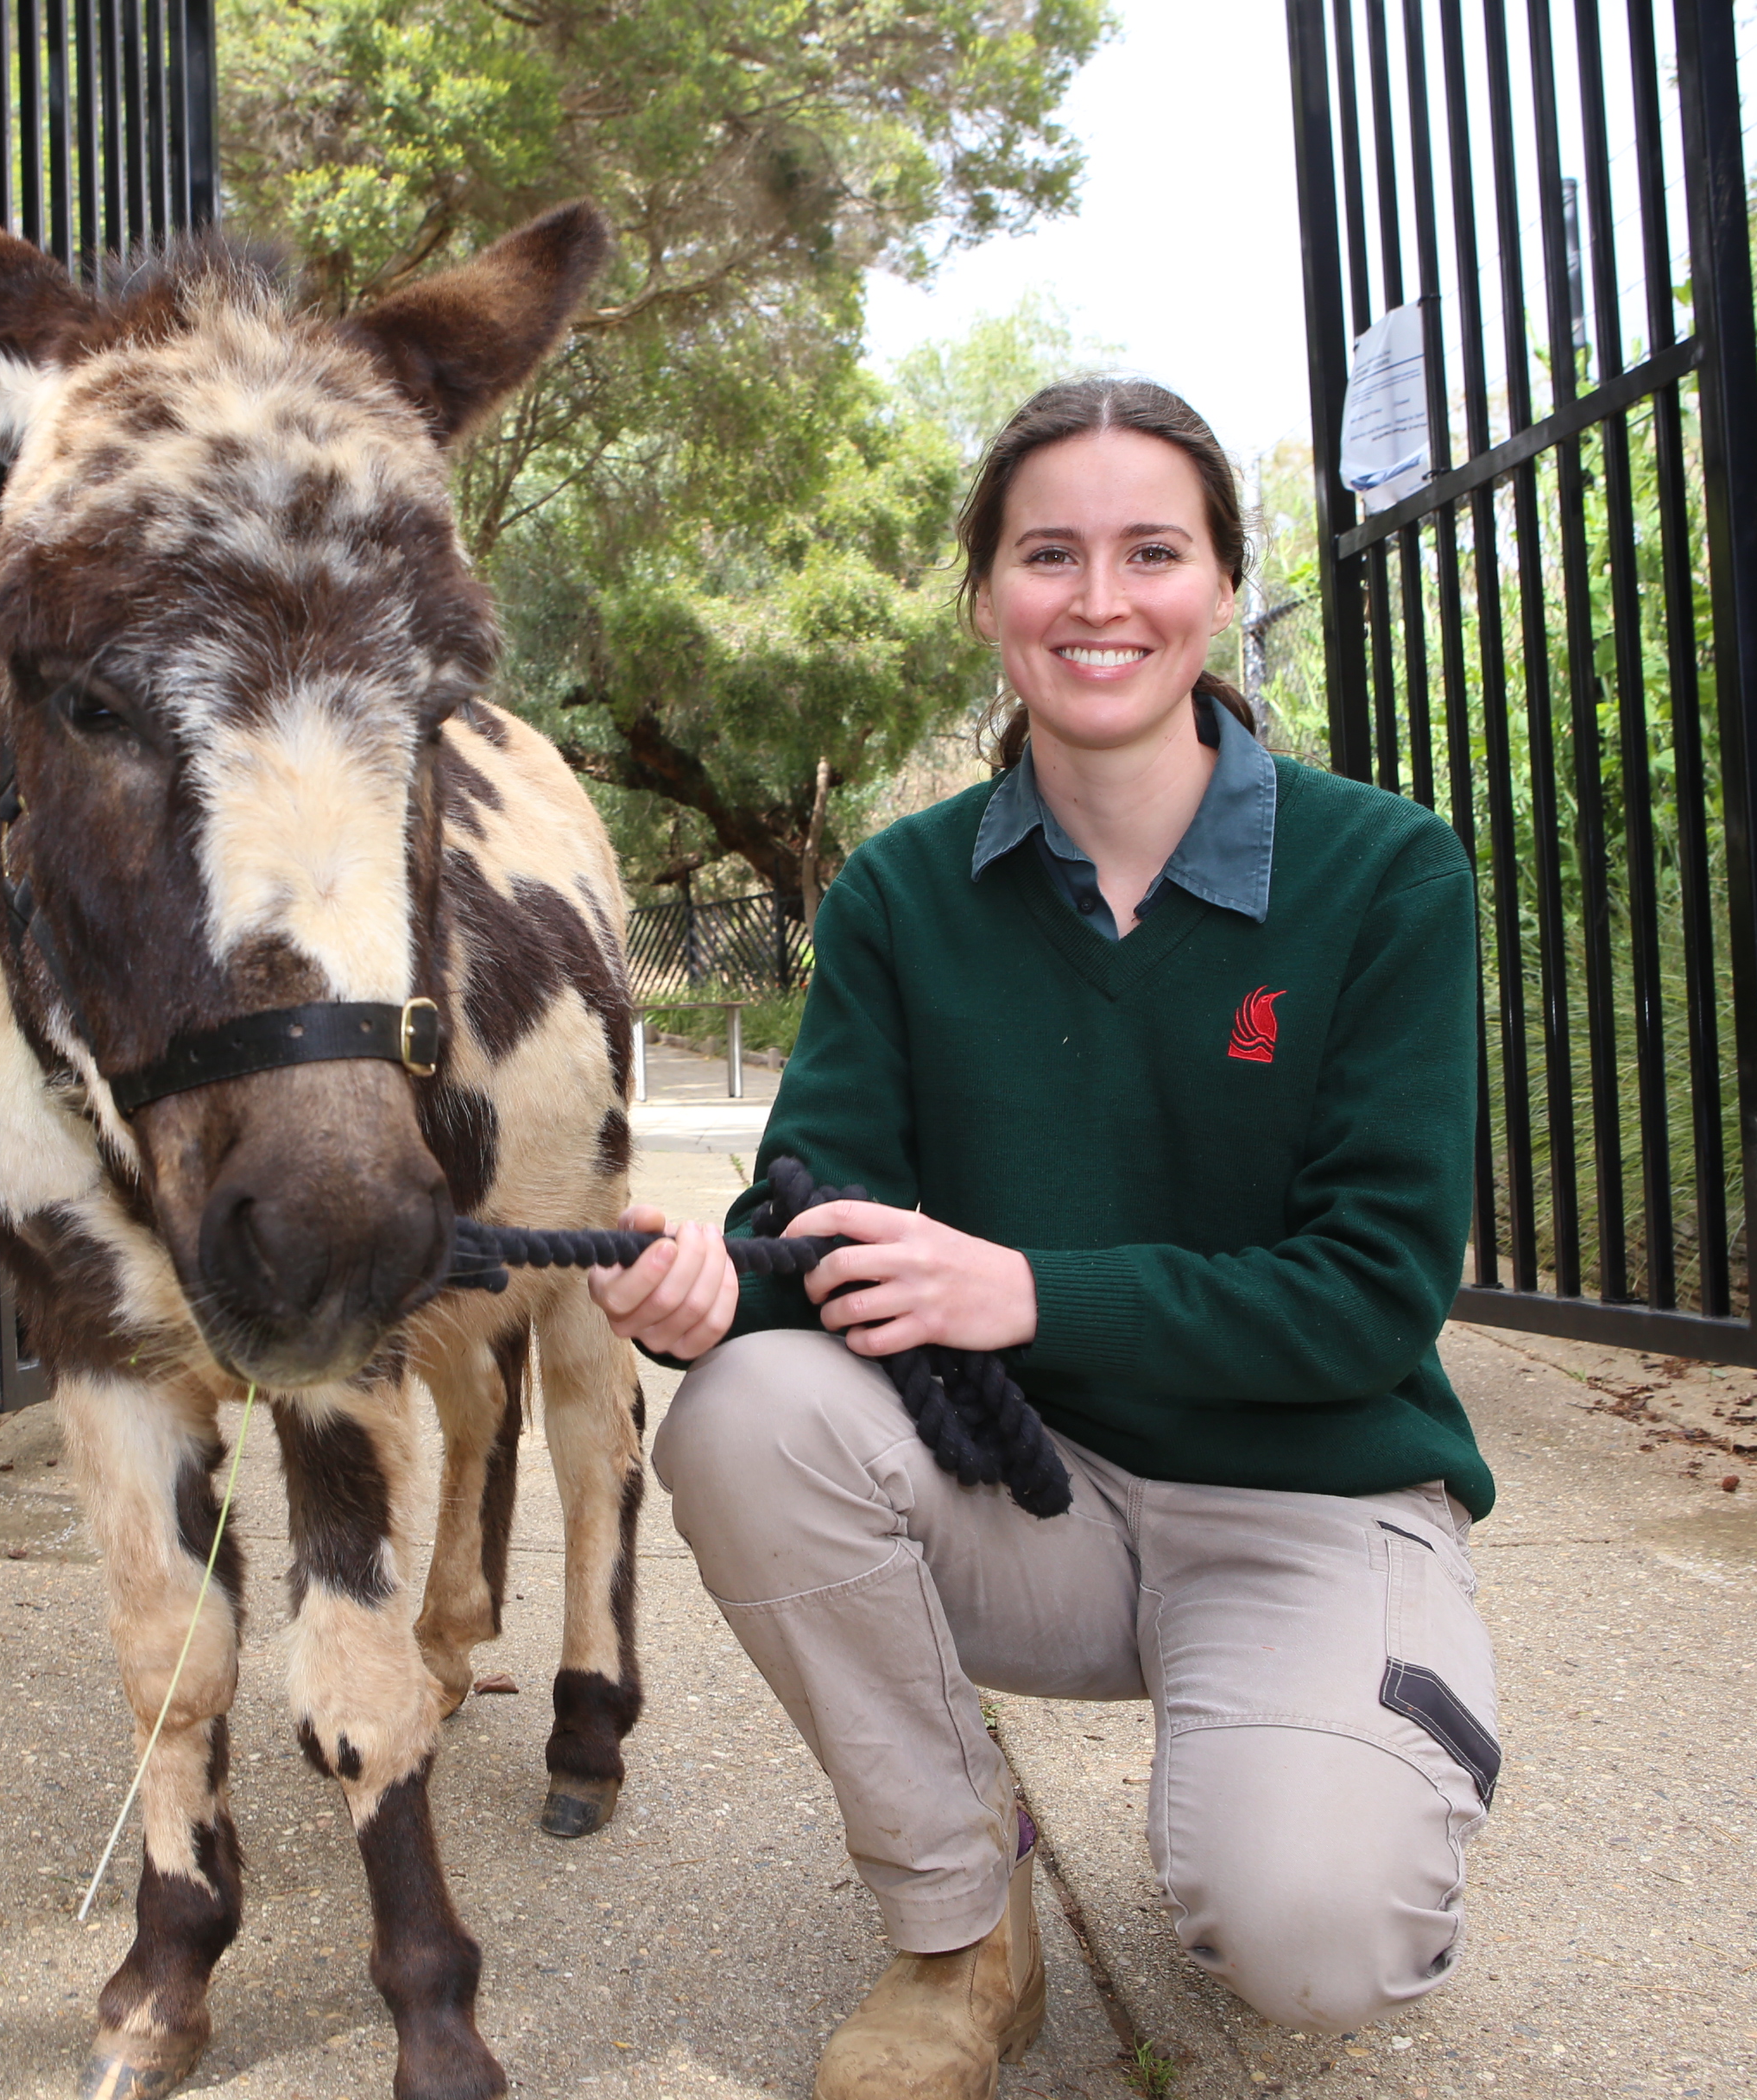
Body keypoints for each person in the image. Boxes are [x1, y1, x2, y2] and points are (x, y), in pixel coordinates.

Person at [590, 376, 1496, 2099]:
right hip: (1032, 1498)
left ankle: (1338, 1752)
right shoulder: (901, 895)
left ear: (1221, 582)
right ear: (988, 596)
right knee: (749, 1418)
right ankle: (961, 1930)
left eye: (1151, 550)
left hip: (1309, 1500)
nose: (1099, 601)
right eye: (1047, 555)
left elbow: (1375, 1294)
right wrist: (709, 1290)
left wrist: (1021, 1288)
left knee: (1318, 1940)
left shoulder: (1386, 876)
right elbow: (817, 1218)